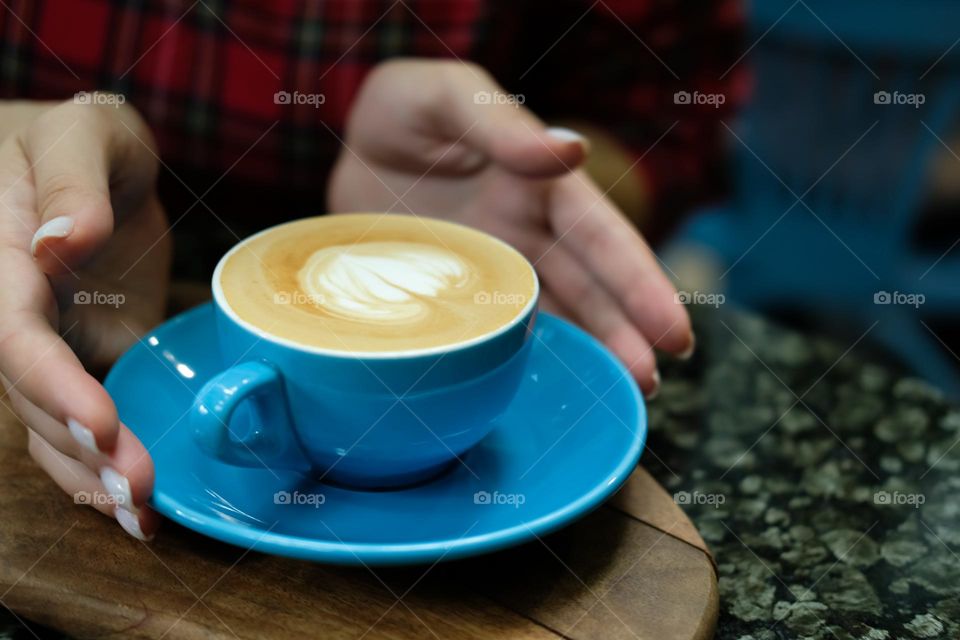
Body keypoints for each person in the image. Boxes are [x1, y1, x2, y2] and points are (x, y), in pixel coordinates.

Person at [0, 1, 741, 539]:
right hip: (110, 279)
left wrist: (540, 178)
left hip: (455, 217)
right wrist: (23, 166)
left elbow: (666, 110)